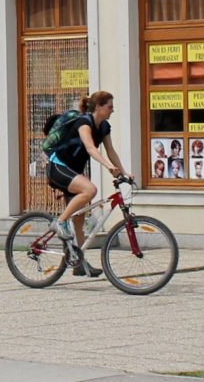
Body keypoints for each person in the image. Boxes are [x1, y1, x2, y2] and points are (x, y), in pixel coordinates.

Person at [47, 91, 124, 278]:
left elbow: (111, 150)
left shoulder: (104, 126)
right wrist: (108, 166)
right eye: (110, 106)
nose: (112, 110)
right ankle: (59, 222)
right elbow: (90, 147)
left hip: (73, 172)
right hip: (58, 167)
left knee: (79, 221)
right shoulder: (84, 122)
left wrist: (123, 171)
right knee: (90, 190)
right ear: (98, 107)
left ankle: (78, 262)